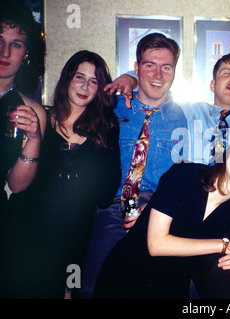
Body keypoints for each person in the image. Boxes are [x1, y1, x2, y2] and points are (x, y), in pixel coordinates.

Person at [94, 128, 230, 298]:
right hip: (124, 277)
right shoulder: (184, 174)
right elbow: (156, 245)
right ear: (229, 151)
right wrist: (225, 244)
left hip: (168, 290)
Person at [1, 50, 121, 298]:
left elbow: (106, 193)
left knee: (70, 291)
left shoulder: (106, 128)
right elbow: (18, 181)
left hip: (74, 233)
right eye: (79, 77)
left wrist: (83, 169)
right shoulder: (41, 118)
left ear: (100, 89)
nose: (85, 86)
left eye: (93, 81)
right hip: (29, 227)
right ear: (67, 79)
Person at [80, 32, 188, 298]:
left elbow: (187, 180)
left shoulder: (188, 117)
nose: (158, 74)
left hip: (162, 210)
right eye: (149, 65)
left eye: (166, 67)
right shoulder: (109, 107)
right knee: (92, 287)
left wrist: (153, 210)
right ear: (136, 67)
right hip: (112, 207)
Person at [0, 1, 46, 209]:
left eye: (16, 44)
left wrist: (34, 139)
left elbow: (16, 185)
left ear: (27, 54)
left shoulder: (32, 112)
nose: (5, 51)